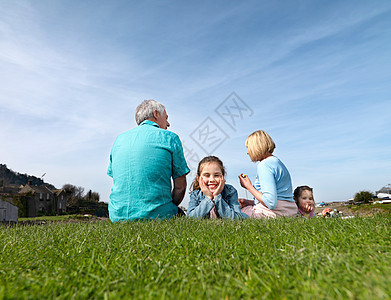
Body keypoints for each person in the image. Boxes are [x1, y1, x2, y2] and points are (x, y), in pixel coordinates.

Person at [107, 99, 190, 221]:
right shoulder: (170, 138)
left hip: (117, 217)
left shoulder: (119, 140)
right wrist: (166, 207)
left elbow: (119, 179)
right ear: (156, 114)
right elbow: (180, 187)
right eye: (166, 118)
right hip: (159, 216)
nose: (168, 124)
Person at [238, 130, 297, 218]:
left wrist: (249, 187)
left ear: (256, 147)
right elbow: (277, 197)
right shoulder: (276, 162)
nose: (247, 152)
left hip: (275, 213)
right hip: (289, 210)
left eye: (249, 148)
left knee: (237, 213)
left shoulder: (264, 165)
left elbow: (270, 202)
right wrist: (249, 202)